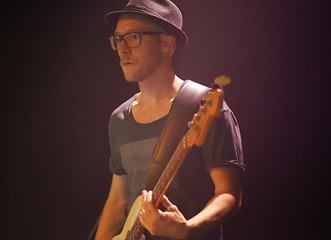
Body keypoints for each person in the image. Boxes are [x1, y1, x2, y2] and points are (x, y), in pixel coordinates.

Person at [95, 0, 245, 239]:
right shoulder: (119, 118)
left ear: (167, 43)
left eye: (133, 37)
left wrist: (187, 228)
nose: (122, 48)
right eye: (117, 39)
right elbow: (117, 200)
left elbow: (229, 194)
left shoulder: (204, 107)